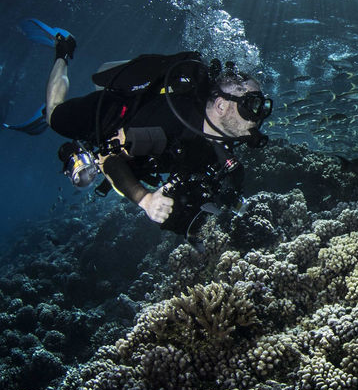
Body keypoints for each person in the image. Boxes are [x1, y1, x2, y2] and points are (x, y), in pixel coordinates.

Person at [43, 27, 272, 236]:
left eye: (262, 106)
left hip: (145, 150)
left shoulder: (221, 142)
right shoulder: (170, 120)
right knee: (53, 116)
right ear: (221, 106)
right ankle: (64, 49)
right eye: (252, 105)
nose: (259, 116)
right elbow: (108, 158)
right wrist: (145, 199)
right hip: (109, 115)